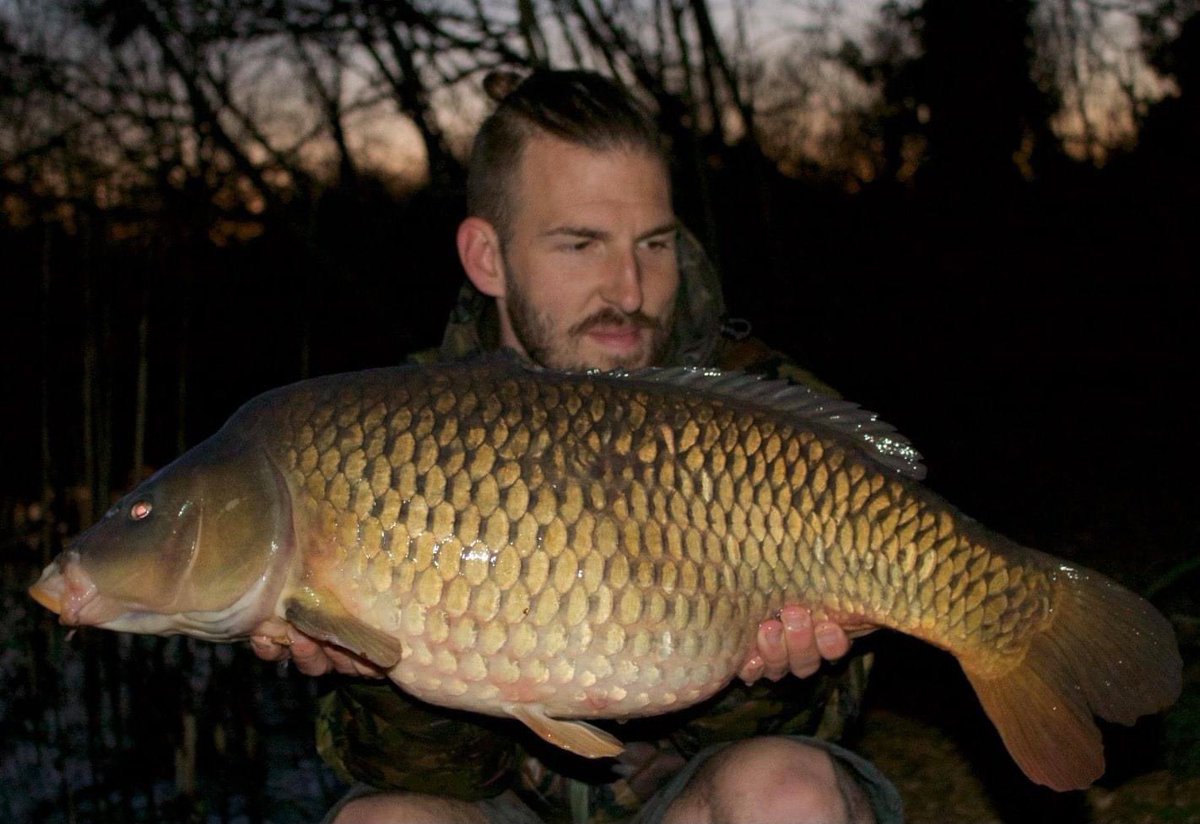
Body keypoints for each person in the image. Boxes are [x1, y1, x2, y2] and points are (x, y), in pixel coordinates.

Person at [251, 69, 903, 824]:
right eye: (581, 243)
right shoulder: (390, 439)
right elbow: (407, 772)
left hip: (692, 794)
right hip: (506, 805)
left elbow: (828, 724)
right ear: (487, 257)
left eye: (654, 243)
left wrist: (770, 675)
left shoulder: (765, 419)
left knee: (787, 794)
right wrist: (374, 663)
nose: (628, 288)